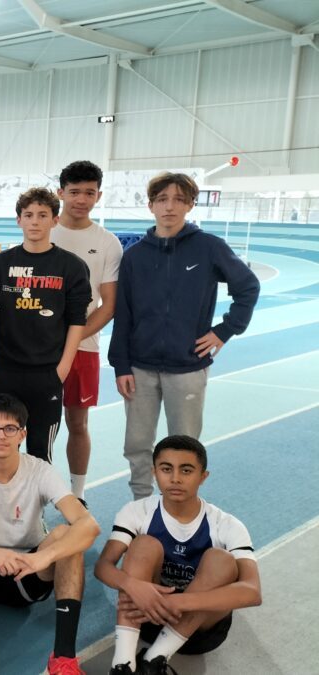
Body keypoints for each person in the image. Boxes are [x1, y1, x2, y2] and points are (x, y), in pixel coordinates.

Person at [109, 173, 260, 499]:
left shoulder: (209, 248)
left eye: (179, 199)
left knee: (185, 444)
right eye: (162, 199)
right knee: (137, 444)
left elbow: (247, 287)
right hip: (139, 367)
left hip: (189, 366)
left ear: (191, 204)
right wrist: (121, 365)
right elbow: (124, 315)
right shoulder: (135, 257)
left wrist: (225, 330)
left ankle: (180, 507)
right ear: (150, 205)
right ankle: (142, 505)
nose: (170, 207)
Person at [0, 394, 100, 675]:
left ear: (22, 434)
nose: (1, 436)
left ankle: (63, 658)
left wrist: (43, 558)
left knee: (65, 536)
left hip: (30, 573)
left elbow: (89, 525)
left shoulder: (40, 470)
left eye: (10, 428)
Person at [94, 435, 261, 675]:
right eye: (166, 469)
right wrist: (131, 584)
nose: (175, 478)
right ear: (154, 472)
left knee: (221, 559)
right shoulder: (137, 512)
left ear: (203, 477)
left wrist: (177, 602)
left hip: (201, 629)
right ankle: (123, 665)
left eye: (186, 470)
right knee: (142, 545)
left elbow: (252, 591)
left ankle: (154, 660)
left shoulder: (226, 525)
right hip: (148, 618)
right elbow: (103, 567)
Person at [0, 187, 92, 464]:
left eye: (42, 215)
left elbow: (77, 321)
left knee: (40, 452)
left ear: (55, 220)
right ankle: (5, 507)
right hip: (6, 370)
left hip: (47, 373)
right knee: (4, 449)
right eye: (28, 215)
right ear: (18, 220)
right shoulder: (0, 264)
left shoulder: (71, 267)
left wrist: (63, 367)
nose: (34, 221)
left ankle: (35, 509)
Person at [51, 161, 123, 501]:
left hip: (84, 347)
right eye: (75, 191)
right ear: (60, 192)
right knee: (37, 426)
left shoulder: (107, 243)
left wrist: (73, 339)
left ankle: (77, 494)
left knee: (77, 424)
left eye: (89, 193)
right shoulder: (42, 231)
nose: (81, 199)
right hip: (38, 349)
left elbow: (108, 304)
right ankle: (35, 493)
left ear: (99, 195)